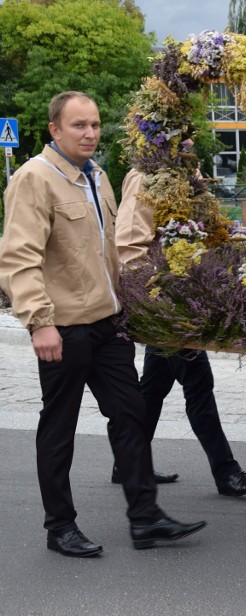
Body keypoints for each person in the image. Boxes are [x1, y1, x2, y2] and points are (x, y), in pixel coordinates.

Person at [0, 91, 207, 557]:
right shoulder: (35, 178)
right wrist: (39, 323)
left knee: (131, 414)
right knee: (60, 428)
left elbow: (108, 251)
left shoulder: (96, 176)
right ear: (55, 129)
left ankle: (145, 518)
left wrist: (134, 305)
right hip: (64, 328)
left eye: (94, 124)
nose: (90, 133)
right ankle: (60, 527)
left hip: (108, 325)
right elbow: (19, 259)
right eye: (78, 125)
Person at [112, 168, 246, 496]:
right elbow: (128, 242)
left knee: (153, 388)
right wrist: (150, 298)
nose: (191, 139)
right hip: (166, 302)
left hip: (182, 296)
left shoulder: (184, 174)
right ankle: (226, 472)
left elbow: (200, 228)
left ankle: (127, 462)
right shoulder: (144, 175)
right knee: (198, 382)